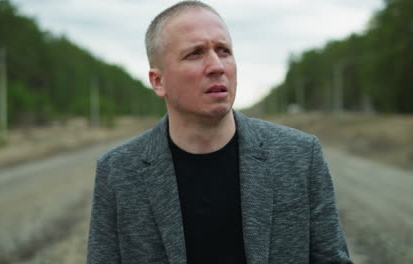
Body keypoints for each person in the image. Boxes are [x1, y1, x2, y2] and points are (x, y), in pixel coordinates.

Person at [86, 1, 353, 263]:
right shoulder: (118, 170)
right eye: (195, 53)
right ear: (158, 81)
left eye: (224, 50)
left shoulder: (300, 155)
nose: (217, 66)